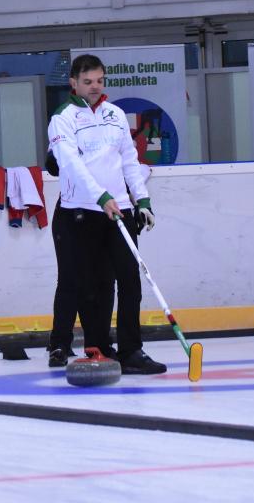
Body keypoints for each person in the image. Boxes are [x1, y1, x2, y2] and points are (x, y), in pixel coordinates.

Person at [47, 54, 166, 374]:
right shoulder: (63, 118)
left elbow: (129, 158)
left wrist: (142, 199)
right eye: (88, 82)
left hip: (120, 210)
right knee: (92, 286)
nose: (95, 87)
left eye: (99, 81)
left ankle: (132, 351)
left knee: (130, 281)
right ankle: (98, 346)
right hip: (81, 212)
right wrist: (101, 197)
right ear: (73, 83)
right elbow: (71, 164)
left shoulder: (116, 114)